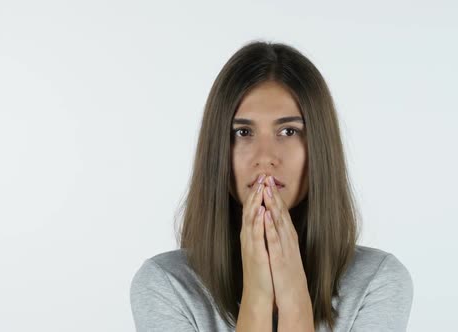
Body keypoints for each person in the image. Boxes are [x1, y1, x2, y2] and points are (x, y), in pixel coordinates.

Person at [130, 40, 414, 331]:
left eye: (289, 131)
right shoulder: (165, 285)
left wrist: (293, 298)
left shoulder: (377, 283)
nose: (265, 157)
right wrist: (257, 296)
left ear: (319, 147)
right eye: (243, 132)